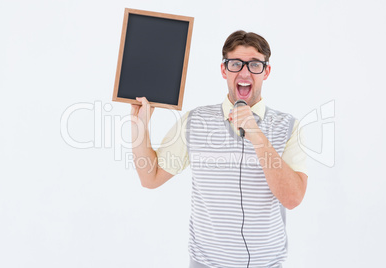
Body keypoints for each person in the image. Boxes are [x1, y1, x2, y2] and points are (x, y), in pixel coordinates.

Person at [131, 30, 308, 268]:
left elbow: (293, 198)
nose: (244, 72)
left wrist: (256, 134)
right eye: (236, 64)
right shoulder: (194, 121)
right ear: (224, 70)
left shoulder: (288, 127)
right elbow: (150, 177)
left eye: (254, 64)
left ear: (266, 71)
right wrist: (140, 126)